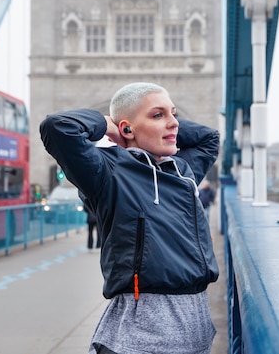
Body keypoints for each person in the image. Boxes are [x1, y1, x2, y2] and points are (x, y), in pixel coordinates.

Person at [40, 82, 220, 354]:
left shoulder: (183, 172)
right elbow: (58, 126)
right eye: (158, 115)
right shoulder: (109, 173)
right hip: (141, 335)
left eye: (174, 115)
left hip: (197, 329)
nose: (174, 124)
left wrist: (162, 126)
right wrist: (109, 124)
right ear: (126, 128)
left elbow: (209, 138)